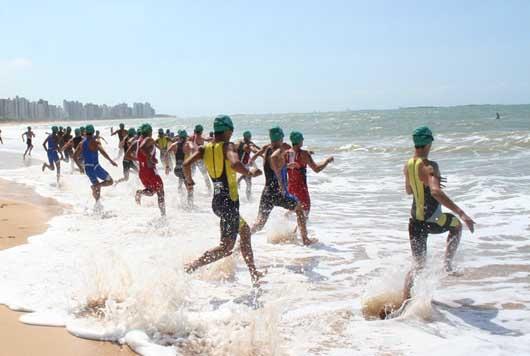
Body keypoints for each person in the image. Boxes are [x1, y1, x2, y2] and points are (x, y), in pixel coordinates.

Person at [183, 115, 263, 283]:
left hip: (218, 202)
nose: (232, 133)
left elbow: (185, 164)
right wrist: (250, 172)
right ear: (227, 130)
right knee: (226, 247)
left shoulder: (205, 148)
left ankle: (254, 273)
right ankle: (192, 266)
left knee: (245, 231)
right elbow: (234, 164)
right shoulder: (228, 146)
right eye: (231, 130)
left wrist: (189, 182)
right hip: (229, 203)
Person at [403, 126, 475, 300]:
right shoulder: (430, 166)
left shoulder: (408, 165)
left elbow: (409, 191)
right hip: (432, 219)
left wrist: (428, 182)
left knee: (418, 265)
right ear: (428, 143)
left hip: (415, 221)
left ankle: (405, 299)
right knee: (456, 225)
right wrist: (462, 213)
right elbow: (435, 192)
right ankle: (448, 265)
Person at [250, 127, 314, 245]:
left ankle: (243, 239)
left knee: (259, 223)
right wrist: (280, 179)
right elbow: (274, 159)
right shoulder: (277, 150)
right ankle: (305, 240)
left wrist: (286, 166)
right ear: (280, 137)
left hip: (267, 192)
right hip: (278, 191)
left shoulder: (268, 148)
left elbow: (274, 164)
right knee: (299, 209)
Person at [286, 131, 334, 216]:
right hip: (301, 189)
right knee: (305, 211)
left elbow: (282, 168)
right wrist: (327, 161)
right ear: (300, 140)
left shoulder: (286, 153)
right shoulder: (304, 154)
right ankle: (299, 229)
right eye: (302, 139)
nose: (303, 140)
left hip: (290, 188)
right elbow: (316, 169)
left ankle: (286, 223)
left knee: (293, 209)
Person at [74, 124, 117, 202]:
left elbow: (74, 156)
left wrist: (80, 167)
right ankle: (96, 187)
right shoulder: (95, 142)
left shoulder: (81, 143)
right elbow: (103, 152)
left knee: (97, 190)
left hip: (87, 168)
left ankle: (97, 205)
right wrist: (111, 161)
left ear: (85, 132)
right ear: (93, 132)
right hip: (95, 167)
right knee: (110, 181)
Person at [135, 123, 166, 216]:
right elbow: (142, 148)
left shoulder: (137, 141)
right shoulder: (148, 139)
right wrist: (150, 158)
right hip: (150, 171)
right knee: (160, 192)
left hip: (142, 171)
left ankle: (140, 192)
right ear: (149, 132)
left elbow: (129, 155)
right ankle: (163, 215)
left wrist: (143, 159)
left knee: (152, 191)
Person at [168, 130, 193, 204]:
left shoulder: (174, 144)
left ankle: (180, 200)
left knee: (181, 181)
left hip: (176, 170)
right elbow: (192, 148)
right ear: (185, 137)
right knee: (190, 188)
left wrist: (167, 165)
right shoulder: (187, 143)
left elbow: (166, 153)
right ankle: (190, 205)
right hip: (184, 169)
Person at [236, 131, 260, 200]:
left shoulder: (240, 142)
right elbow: (254, 150)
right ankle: (249, 199)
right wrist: (262, 154)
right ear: (249, 137)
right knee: (249, 183)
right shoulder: (247, 145)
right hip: (244, 164)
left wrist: (262, 149)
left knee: (254, 170)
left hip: (243, 162)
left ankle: (240, 179)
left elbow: (255, 146)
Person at [189, 124, 212, 193]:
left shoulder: (192, 137)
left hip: (193, 158)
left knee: (191, 175)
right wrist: (213, 138)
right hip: (200, 160)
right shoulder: (201, 137)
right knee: (205, 175)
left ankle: (189, 189)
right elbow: (207, 140)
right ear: (201, 131)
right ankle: (209, 190)